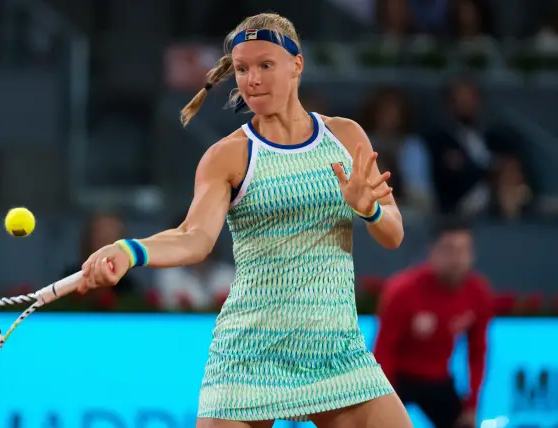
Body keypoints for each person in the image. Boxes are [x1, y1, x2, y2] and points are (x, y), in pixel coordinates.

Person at [78, 12, 411, 428]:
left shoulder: (346, 137)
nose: (251, 79)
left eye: (265, 65)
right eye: (242, 69)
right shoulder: (228, 155)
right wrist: (130, 250)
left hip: (335, 348)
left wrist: (369, 209)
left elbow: (393, 234)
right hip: (250, 352)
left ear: (297, 65)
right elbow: (193, 237)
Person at [373, 218, 494, 428]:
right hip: (397, 377)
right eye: (449, 250)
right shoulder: (402, 291)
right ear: (433, 252)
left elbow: (477, 352)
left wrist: (472, 405)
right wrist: (383, 403)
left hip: (438, 379)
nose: (456, 259)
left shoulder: (478, 293)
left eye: (463, 251)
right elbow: (384, 350)